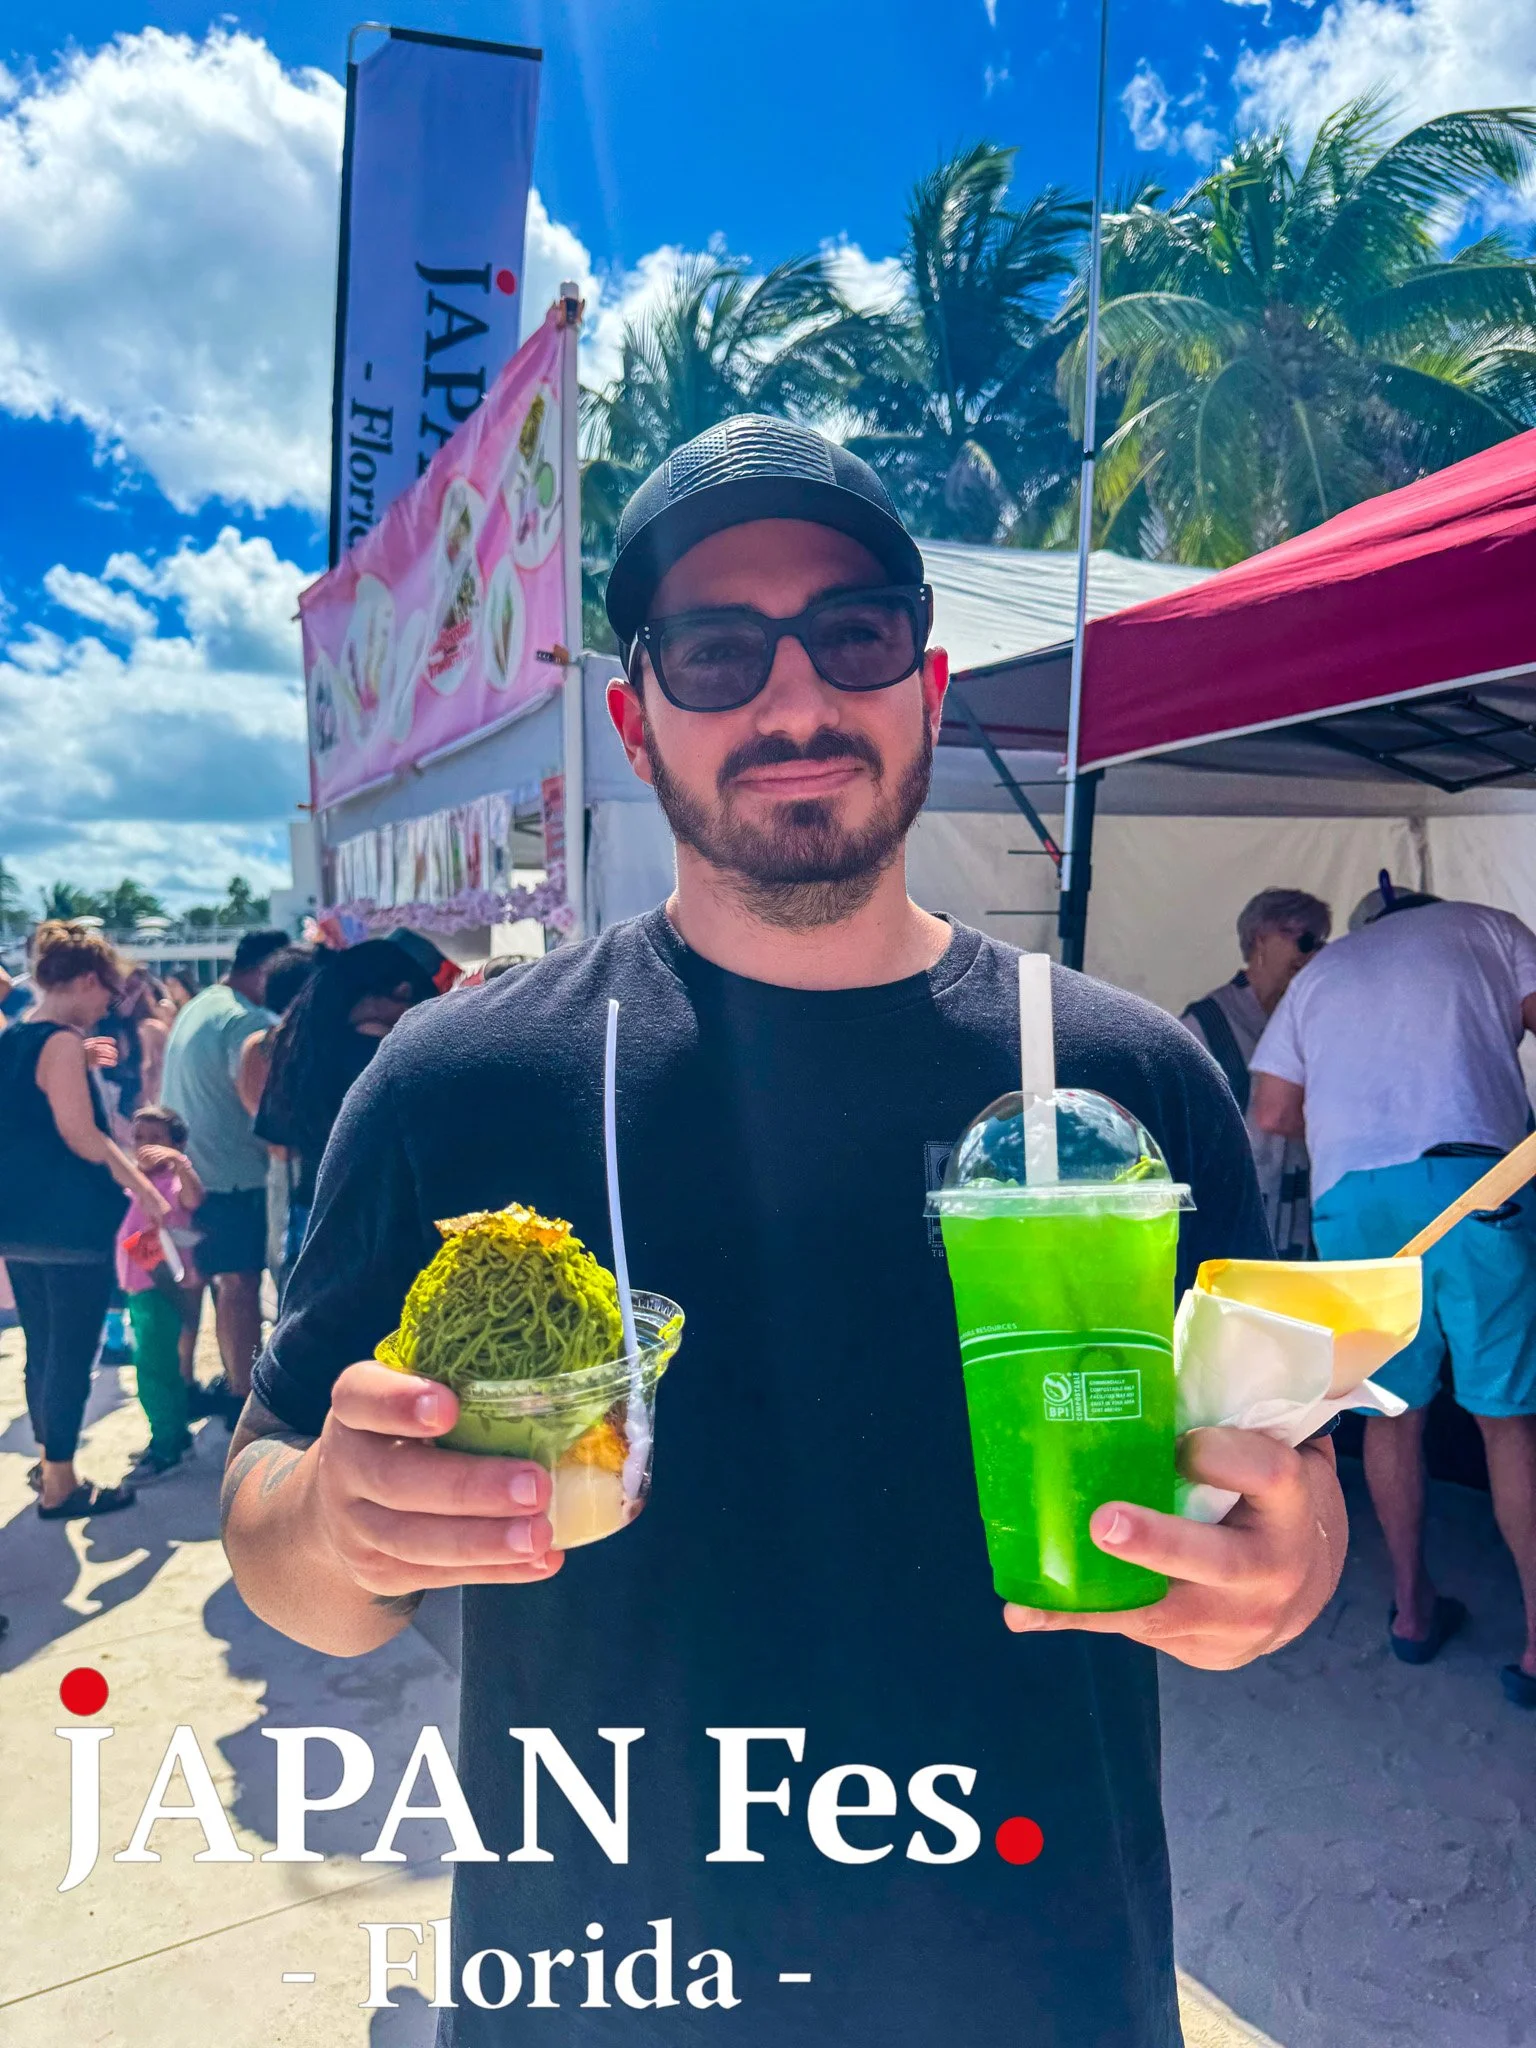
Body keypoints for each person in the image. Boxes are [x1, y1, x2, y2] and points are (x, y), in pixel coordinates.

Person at [221, 418, 1344, 2048]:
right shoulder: (461, 1079)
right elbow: (273, 1519)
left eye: (854, 633)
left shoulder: (1127, 1081)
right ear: (636, 717)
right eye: (717, 650)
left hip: (1041, 1986)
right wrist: (336, 1522)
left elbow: (1285, 1495)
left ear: (927, 686)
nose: (796, 698)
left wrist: (1283, 1577)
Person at [1252, 884, 1536, 1707]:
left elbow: (1272, 1110)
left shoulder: (1323, 971)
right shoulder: (1489, 928)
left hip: (1356, 1201)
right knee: (1505, 1417)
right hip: (1475, 1182)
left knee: (1390, 1412)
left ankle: (1412, 1612)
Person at [0, 922, 169, 1518]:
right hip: (69, 1219)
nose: (108, 1005)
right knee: (73, 1352)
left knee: (42, 1347)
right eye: (108, 991)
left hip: (19, 1219)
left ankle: (50, 1462)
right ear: (85, 981)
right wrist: (141, 1184)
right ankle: (60, 1483)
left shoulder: (14, 1037)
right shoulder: (61, 1043)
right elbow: (81, 1134)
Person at [252, 931, 451, 1275]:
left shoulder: (301, 1043)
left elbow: (277, 1135)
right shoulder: (387, 1053)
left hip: (313, 1212)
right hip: (386, 1219)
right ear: (402, 992)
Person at [161, 929, 289, 1421]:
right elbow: (257, 1099)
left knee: (219, 1287)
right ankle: (242, 1398)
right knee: (239, 1287)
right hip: (233, 1177)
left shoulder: (202, 1005)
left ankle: (207, 1387)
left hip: (197, 1174)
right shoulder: (246, 1020)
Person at [1181, 887, 1332, 1258]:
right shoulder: (1206, 1022)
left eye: (1320, 944)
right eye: (1304, 939)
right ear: (1261, 939)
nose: (1311, 954)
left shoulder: (1311, 1016)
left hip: (1298, 1207)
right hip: (1233, 1205)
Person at [115, 1103, 205, 1483]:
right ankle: (175, 1436)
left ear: (177, 1143)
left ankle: (167, 1447)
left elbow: (194, 1198)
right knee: (155, 1365)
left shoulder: (173, 1181)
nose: (145, 1146)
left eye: (156, 1138)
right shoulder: (137, 1181)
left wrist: (180, 1162)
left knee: (154, 1369)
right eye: (139, 1137)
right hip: (140, 1289)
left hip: (160, 1288)